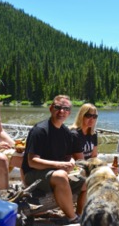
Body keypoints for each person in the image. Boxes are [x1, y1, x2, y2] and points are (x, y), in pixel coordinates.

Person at [22, 95, 86, 224]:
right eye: (58, 107)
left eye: (66, 109)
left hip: (53, 174)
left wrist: (71, 162)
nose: (61, 111)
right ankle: (72, 218)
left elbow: (68, 156)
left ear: (69, 112)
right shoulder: (40, 130)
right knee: (61, 176)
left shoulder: (66, 132)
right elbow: (32, 161)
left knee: (87, 182)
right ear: (51, 108)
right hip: (33, 175)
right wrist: (60, 165)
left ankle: (79, 214)